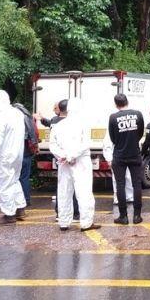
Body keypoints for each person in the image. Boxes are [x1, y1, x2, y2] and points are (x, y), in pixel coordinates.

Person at [49, 98, 99, 232]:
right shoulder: (83, 124)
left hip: (64, 163)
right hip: (80, 161)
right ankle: (86, 223)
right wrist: (72, 156)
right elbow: (86, 143)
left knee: (64, 191)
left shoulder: (59, 125)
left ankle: (64, 222)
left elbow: (52, 145)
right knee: (84, 192)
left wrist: (63, 156)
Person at [0, 90, 27, 225]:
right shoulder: (17, 114)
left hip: (3, 156)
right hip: (17, 154)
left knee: (3, 184)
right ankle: (20, 208)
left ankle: (9, 215)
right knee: (14, 181)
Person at [38, 100, 80, 221]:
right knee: (75, 186)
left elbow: (53, 142)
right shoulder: (73, 122)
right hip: (73, 158)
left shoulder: (54, 122)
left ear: (59, 110)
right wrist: (71, 156)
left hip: (60, 159)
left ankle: (60, 213)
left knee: (62, 187)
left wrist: (61, 156)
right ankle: (75, 213)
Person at [106, 93, 144, 225]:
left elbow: (113, 138)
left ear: (116, 104)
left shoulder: (113, 117)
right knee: (136, 184)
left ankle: (123, 216)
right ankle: (137, 216)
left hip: (119, 155)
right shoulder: (138, 114)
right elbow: (140, 133)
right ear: (127, 101)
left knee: (120, 185)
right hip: (135, 154)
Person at [13, 103, 38, 207]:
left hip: (17, 151)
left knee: (14, 178)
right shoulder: (29, 118)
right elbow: (34, 135)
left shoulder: (15, 119)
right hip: (28, 151)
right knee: (24, 177)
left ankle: (17, 202)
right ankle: (26, 200)